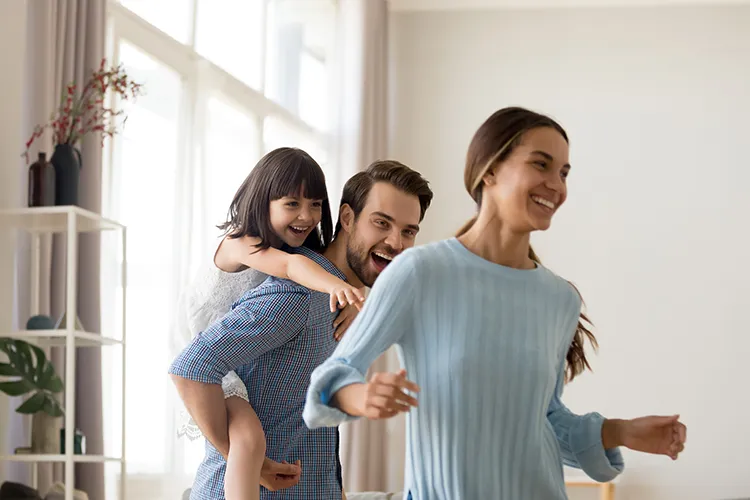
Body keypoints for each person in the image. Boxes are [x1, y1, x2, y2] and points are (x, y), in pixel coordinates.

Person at [303, 107, 688, 500]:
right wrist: (363, 397)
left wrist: (620, 431)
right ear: (489, 170)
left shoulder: (560, 299)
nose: (557, 185)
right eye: (542, 164)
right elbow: (333, 377)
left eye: (564, 173)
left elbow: (547, 419)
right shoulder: (420, 272)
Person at [170, 160, 434, 499]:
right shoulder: (298, 296)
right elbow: (191, 367)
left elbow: (311, 427)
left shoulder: (343, 307)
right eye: (381, 223)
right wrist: (246, 456)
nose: (396, 242)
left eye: (408, 231)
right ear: (348, 218)